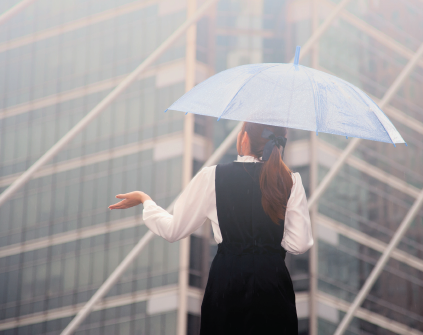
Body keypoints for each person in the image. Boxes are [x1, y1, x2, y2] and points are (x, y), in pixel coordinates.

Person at [109, 122, 313, 334]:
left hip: (228, 281)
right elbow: (299, 243)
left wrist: (146, 201)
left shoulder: (213, 176)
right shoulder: (290, 180)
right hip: (273, 284)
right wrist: (267, 239)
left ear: (244, 139)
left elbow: (173, 230)